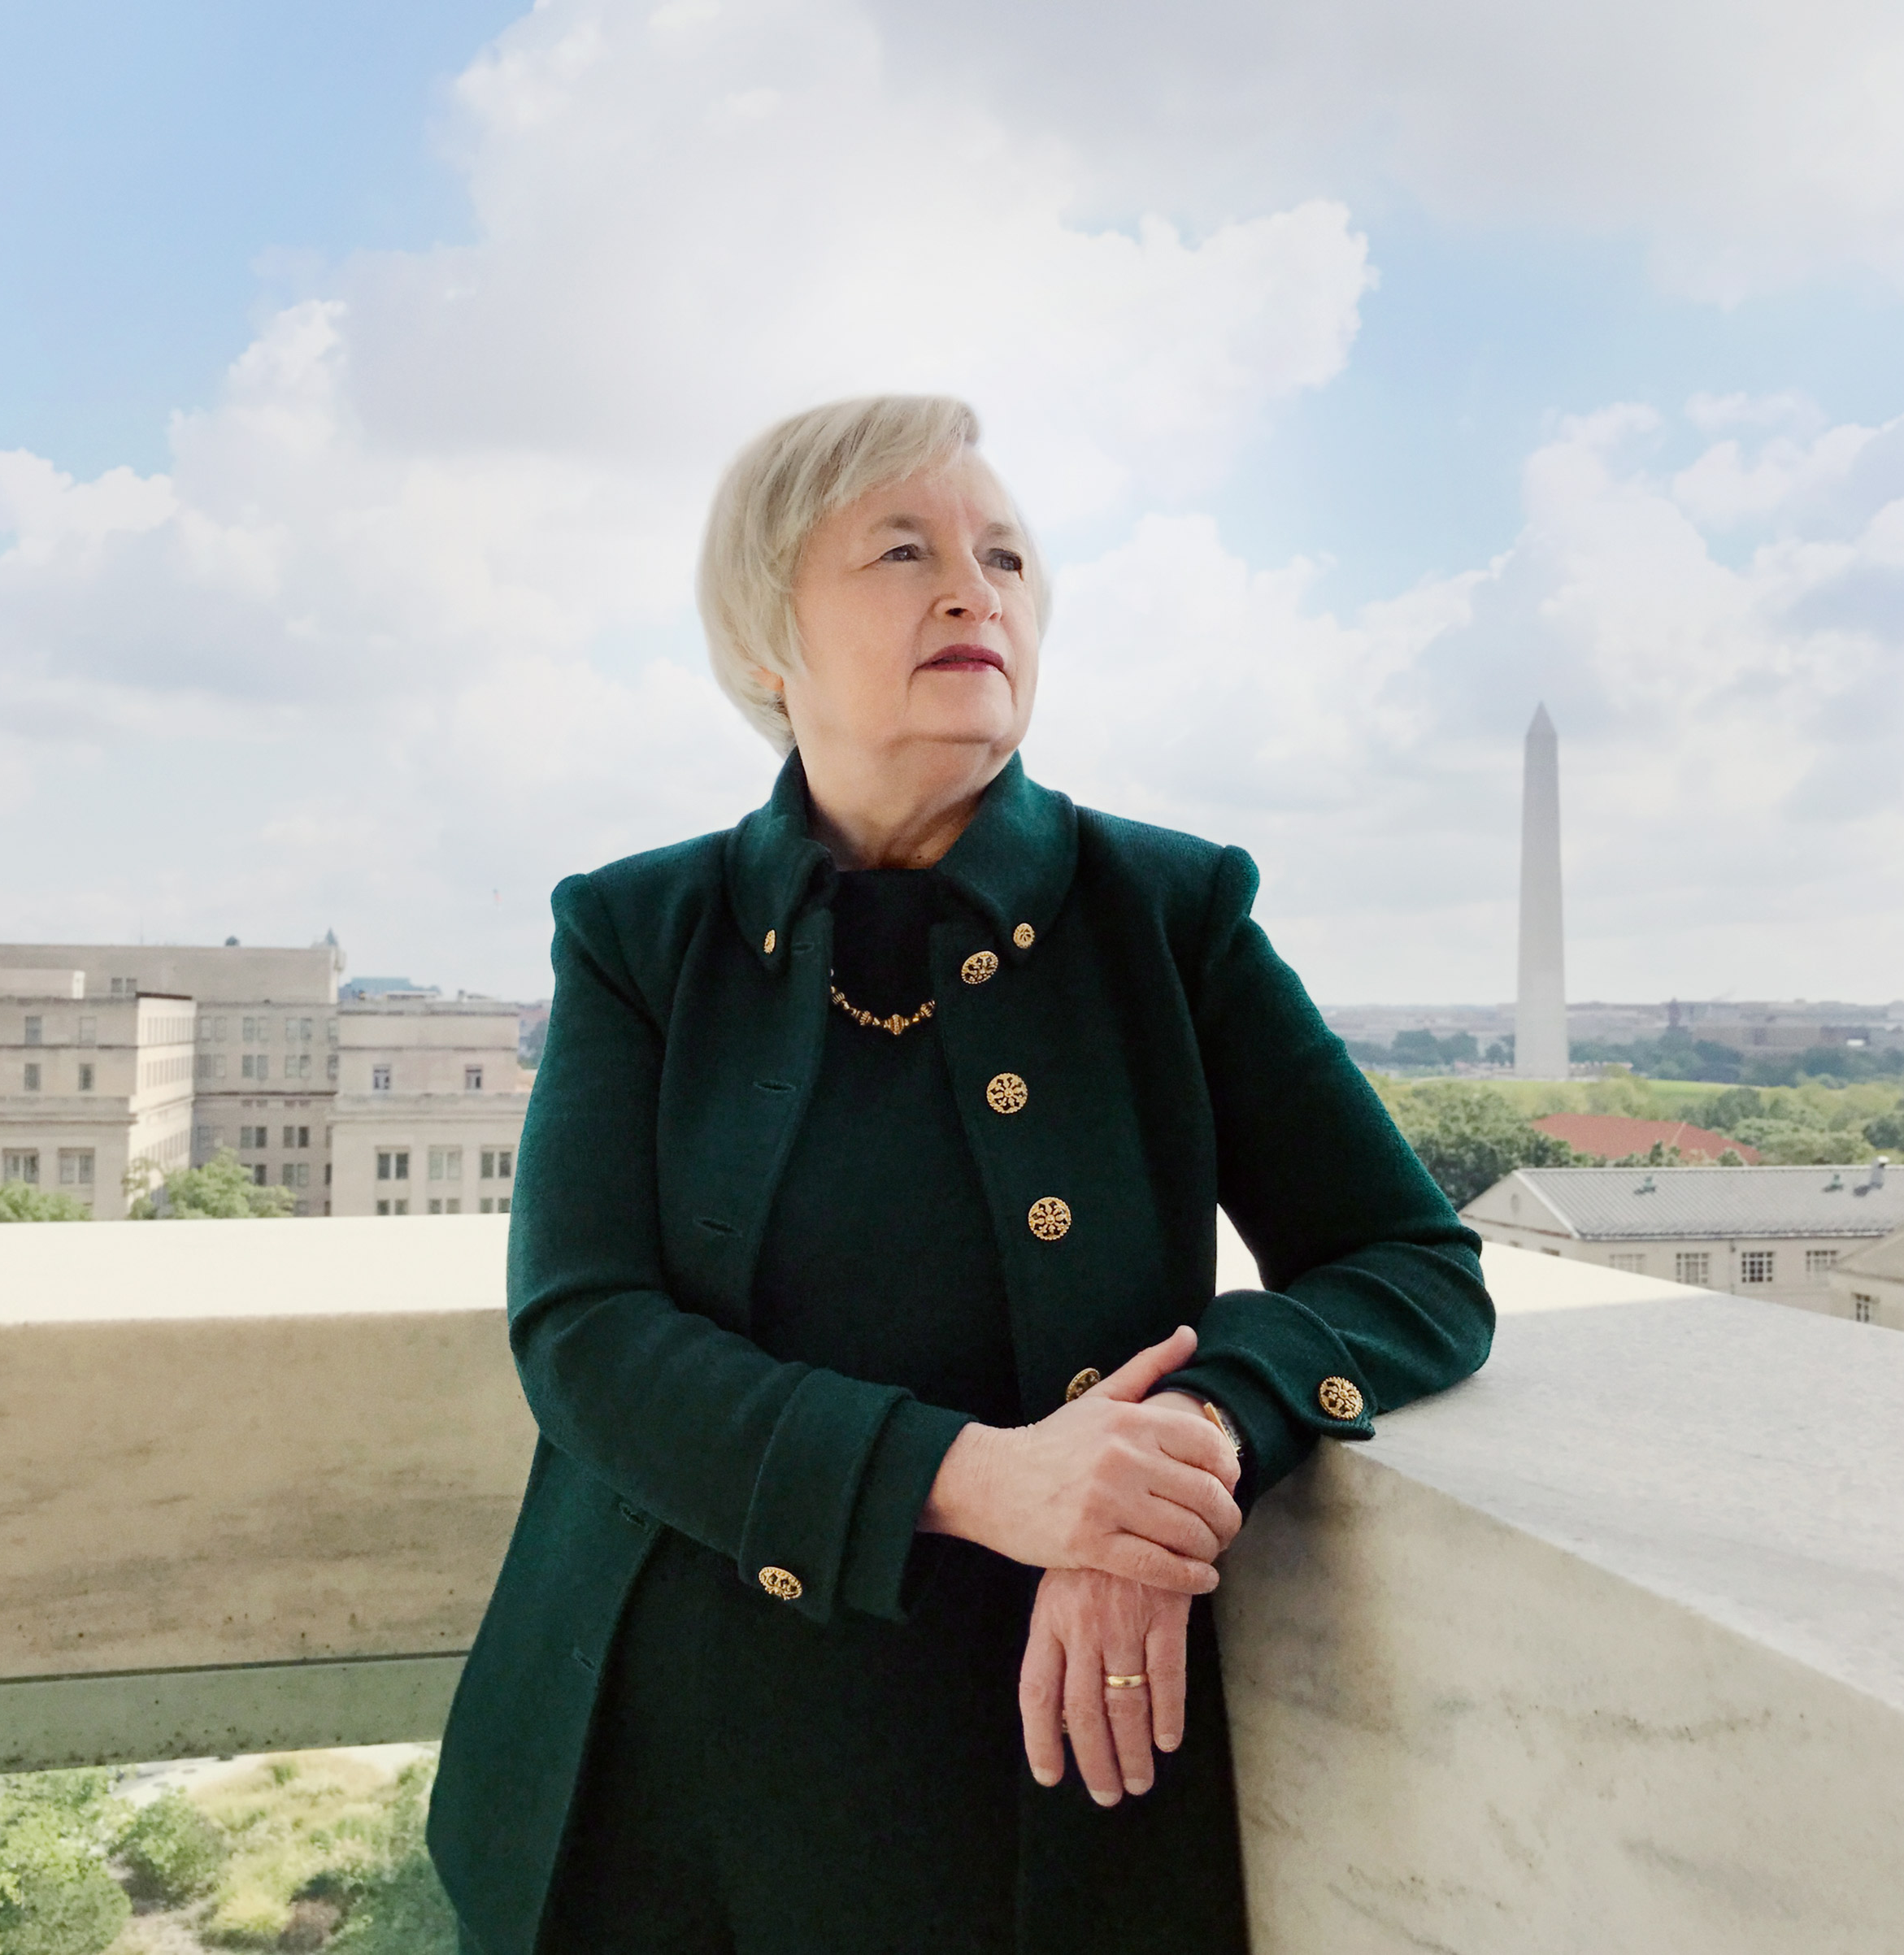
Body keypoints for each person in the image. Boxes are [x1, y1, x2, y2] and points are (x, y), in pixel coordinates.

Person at [428, 396, 1493, 1955]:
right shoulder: (639, 930)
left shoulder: (1169, 911)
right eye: (902, 551)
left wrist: (1182, 1446)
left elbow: (1412, 1264)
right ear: (767, 643)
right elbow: (583, 1330)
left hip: (1022, 1783)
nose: (970, 591)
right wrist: (984, 1479)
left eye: (1003, 557)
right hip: (652, 1778)